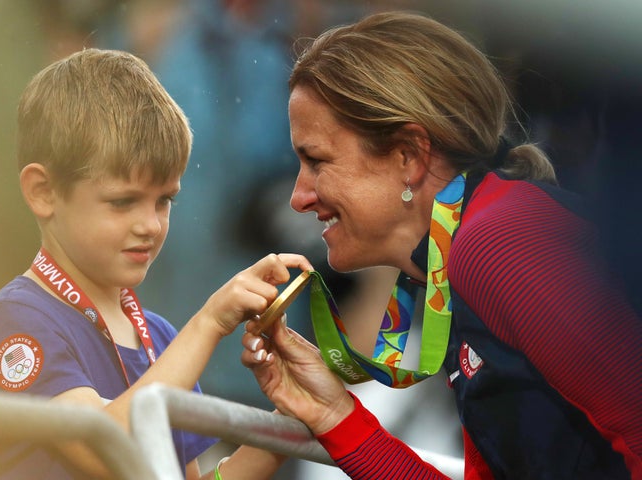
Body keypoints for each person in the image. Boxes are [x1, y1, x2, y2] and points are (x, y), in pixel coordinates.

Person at [241, 11, 642, 479]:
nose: (298, 197)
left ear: (408, 156)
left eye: (317, 161)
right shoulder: (460, 255)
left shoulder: (496, 242)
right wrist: (332, 415)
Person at [0, 48, 313, 480]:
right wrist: (210, 322)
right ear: (43, 192)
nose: (149, 225)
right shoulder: (19, 319)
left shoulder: (162, 338)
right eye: (123, 202)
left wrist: (291, 421)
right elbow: (103, 445)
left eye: (164, 201)